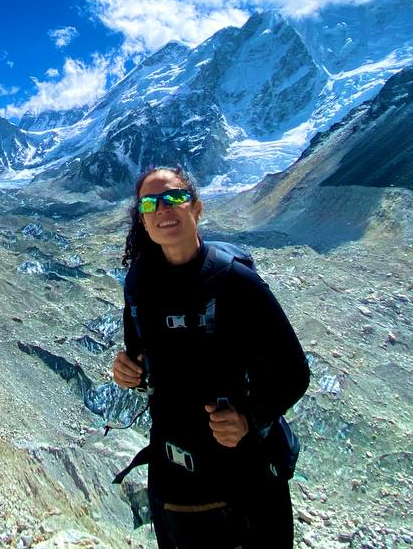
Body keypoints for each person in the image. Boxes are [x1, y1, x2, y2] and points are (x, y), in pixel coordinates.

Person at [111, 166, 310, 548]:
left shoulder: (236, 281)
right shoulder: (139, 282)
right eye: (151, 203)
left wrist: (248, 419)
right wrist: (127, 371)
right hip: (172, 482)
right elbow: (139, 360)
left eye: (174, 197)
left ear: (196, 208)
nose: (164, 209)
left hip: (243, 478)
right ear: (143, 219)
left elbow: (294, 371)